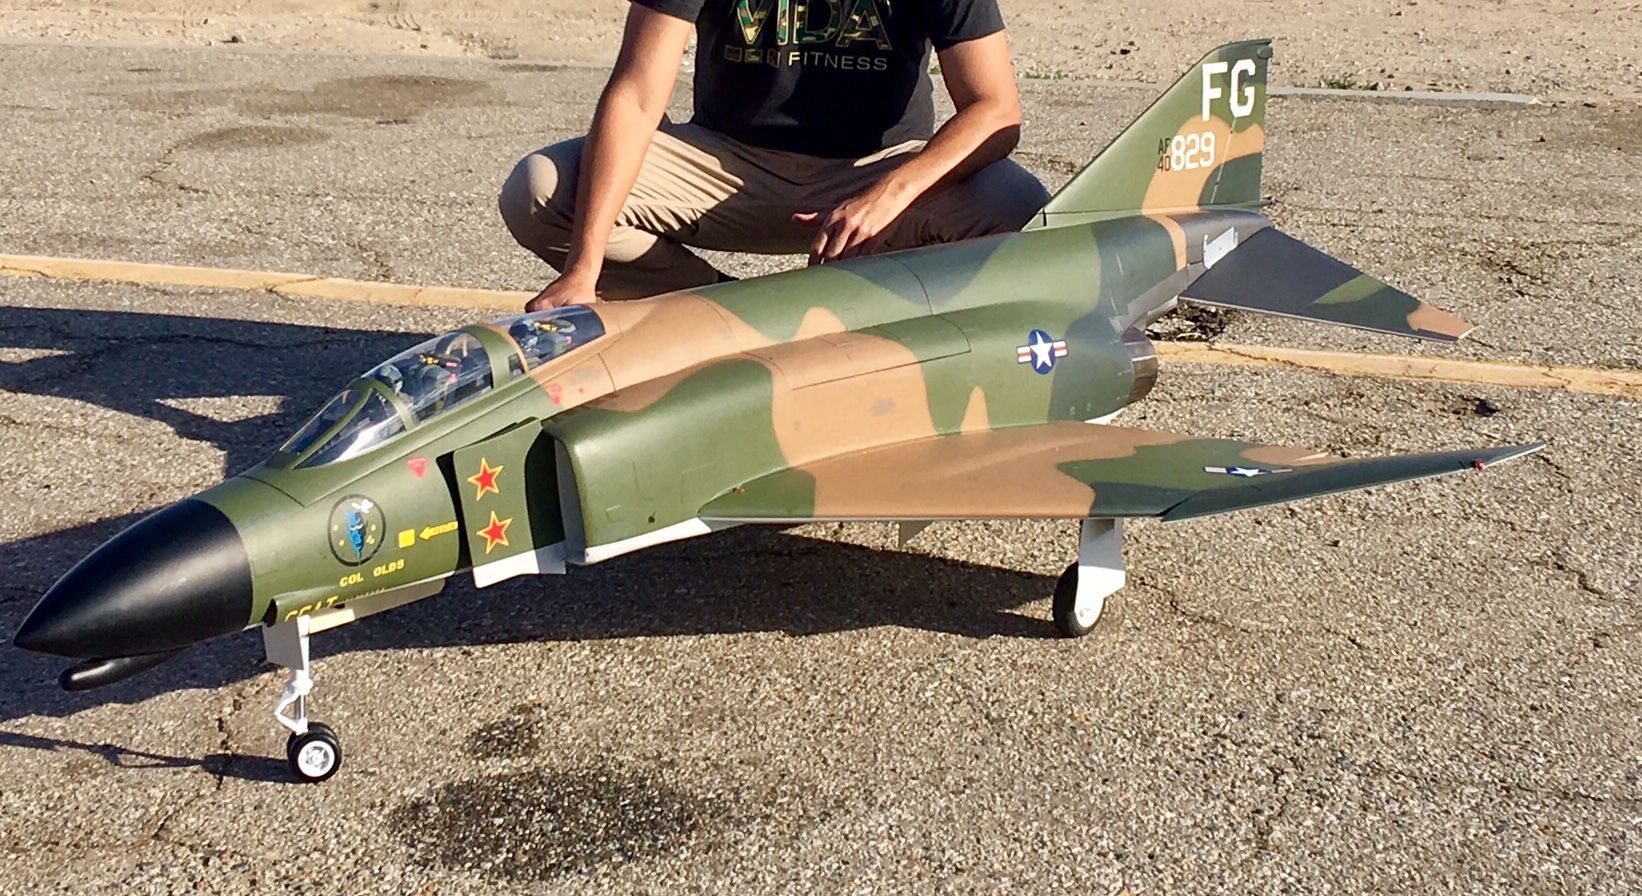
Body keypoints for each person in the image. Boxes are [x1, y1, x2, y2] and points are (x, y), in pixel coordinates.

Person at [498, 0, 1050, 310]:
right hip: (726, 162)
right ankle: (721, 310)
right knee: (540, 190)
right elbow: (637, 97)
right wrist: (583, 268)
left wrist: (891, 193)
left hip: (877, 173)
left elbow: (996, 110)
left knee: (1021, 210)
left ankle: (897, 328)